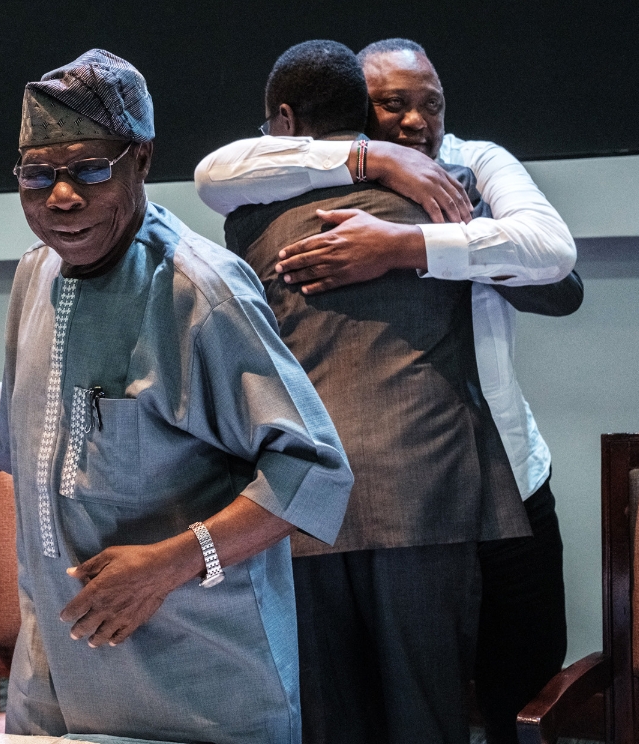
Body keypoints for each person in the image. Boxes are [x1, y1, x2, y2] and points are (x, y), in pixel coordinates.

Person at [0, 49, 355, 744]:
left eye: (90, 169)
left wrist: (172, 561)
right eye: (38, 175)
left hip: (193, 684)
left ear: (140, 160)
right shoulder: (38, 275)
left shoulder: (200, 291)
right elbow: (33, 410)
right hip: (54, 674)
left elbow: (315, 469)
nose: (61, 197)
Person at [196, 37, 578, 744]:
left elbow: (556, 264)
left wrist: (403, 247)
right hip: (415, 488)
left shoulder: (474, 164)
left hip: (514, 472)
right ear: (353, 112)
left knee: (519, 673)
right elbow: (214, 173)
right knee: (393, 695)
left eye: (429, 104)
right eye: (392, 106)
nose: (415, 121)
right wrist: (374, 161)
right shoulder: (302, 177)